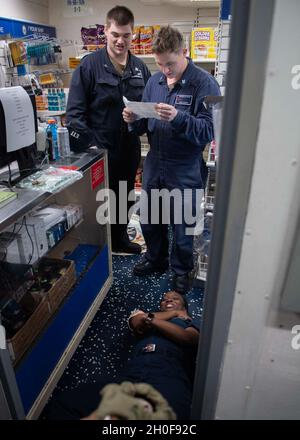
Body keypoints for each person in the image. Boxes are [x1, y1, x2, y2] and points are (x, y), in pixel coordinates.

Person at [123, 26, 220, 293]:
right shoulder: (154, 82)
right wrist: (133, 119)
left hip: (185, 165)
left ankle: (181, 271)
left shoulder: (204, 83)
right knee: (150, 219)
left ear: (184, 53)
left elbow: (209, 131)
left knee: (183, 226)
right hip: (155, 161)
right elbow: (144, 125)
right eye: (160, 64)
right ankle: (155, 259)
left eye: (171, 63)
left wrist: (178, 117)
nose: (166, 70)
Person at [66, 6, 151, 254]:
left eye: (126, 35)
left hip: (129, 149)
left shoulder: (139, 68)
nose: (120, 41)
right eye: (115, 34)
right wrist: (92, 147)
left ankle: (120, 238)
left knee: (124, 197)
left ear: (132, 34)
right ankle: (100, 246)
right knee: (99, 204)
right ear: (105, 31)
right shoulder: (89, 66)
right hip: (99, 152)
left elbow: (146, 107)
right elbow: (74, 116)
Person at [44, 291, 199, 420]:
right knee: (65, 403)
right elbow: (136, 321)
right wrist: (172, 313)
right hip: (132, 375)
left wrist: (151, 320)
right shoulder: (148, 314)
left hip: (168, 374)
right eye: (164, 299)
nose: (168, 300)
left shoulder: (189, 324)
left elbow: (187, 338)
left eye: (174, 298)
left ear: (184, 307)